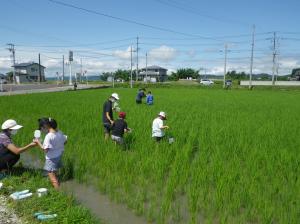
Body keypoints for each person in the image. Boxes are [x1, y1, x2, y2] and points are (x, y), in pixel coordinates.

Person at [34, 118, 67, 189]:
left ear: (45, 126)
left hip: (51, 159)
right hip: (58, 156)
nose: (41, 131)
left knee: (52, 178)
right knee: (54, 172)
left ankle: (58, 193)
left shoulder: (48, 136)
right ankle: (58, 184)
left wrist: (38, 142)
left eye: (41, 128)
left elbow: (45, 150)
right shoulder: (59, 132)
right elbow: (65, 141)